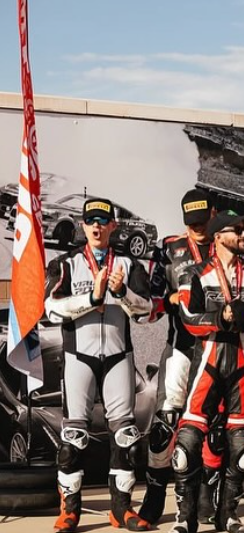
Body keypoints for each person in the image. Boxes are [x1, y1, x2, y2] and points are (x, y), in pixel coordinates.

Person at [45, 198, 153, 533]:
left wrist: (120, 294)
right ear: (82, 224)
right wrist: (91, 298)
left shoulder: (129, 263)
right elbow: (51, 309)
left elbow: (146, 310)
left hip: (119, 357)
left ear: (113, 226)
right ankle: (70, 511)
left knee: (126, 438)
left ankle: (121, 510)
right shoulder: (67, 263)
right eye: (90, 220)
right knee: (73, 438)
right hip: (80, 357)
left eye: (102, 221)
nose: (96, 226)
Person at [171, 211, 244, 533]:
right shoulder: (195, 273)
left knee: (242, 450)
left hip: (243, 364)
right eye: (237, 230)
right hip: (207, 361)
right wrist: (222, 316)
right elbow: (188, 318)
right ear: (217, 236)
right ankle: (185, 518)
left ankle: (228, 515)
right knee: (186, 444)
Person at [140, 189, 224, 525]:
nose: (199, 228)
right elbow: (151, 302)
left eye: (203, 221)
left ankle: (206, 497)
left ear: (213, 213)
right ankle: (154, 498)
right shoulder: (169, 248)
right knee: (165, 426)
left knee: (215, 427)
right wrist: (170, 298)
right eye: (192, 223)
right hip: (182, 347)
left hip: (220, 349)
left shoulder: (228, 243)